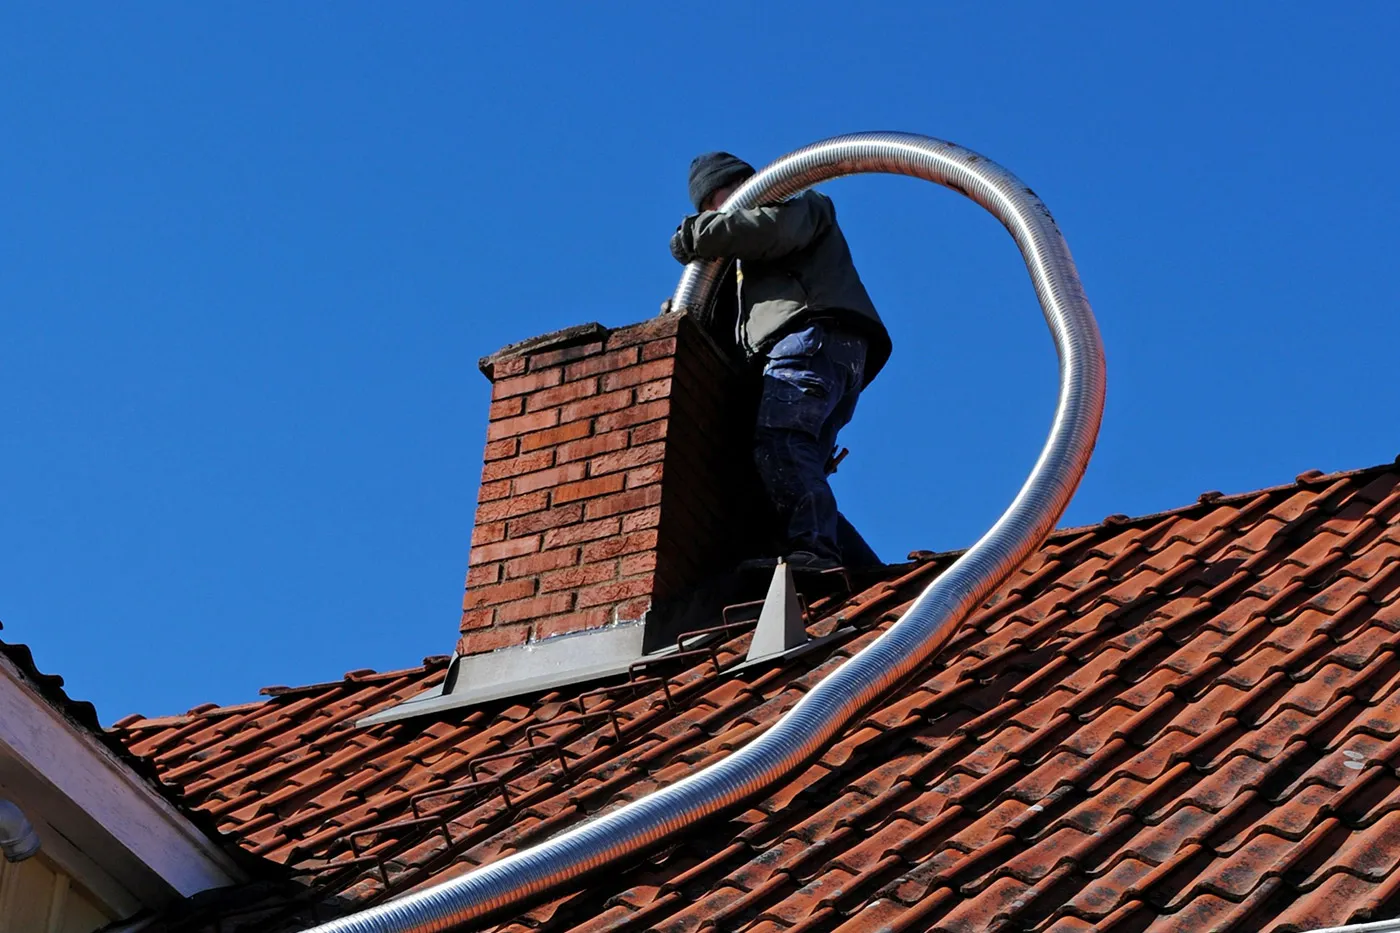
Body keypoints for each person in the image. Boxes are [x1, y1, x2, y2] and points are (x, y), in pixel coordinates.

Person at [668, 152, 894, 572]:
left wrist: (693, 233)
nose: (719, 214)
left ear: (746, 187)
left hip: (812, 338)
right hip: (824, 351)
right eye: (708, 211)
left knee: (783, 443)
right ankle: (863, 575)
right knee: (790, 461)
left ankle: (815, 553)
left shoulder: (797, 205)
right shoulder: (745, 267)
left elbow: (767, 231)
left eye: (720, 202)